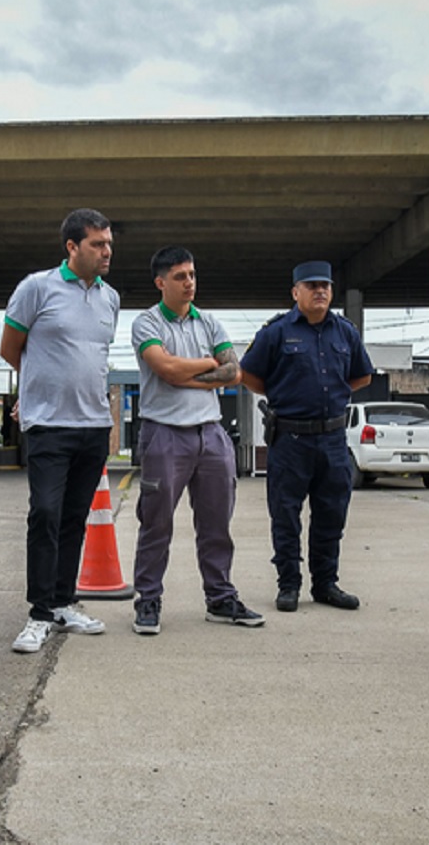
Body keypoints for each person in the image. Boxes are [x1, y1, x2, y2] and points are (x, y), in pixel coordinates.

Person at [0, 208, 121, 653]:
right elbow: (10, 349)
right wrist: (36, 391)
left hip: (93, 425)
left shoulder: (110, 298)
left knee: (73, 518)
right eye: (97, 244)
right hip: (49, 424)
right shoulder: (36, 288)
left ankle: (64, 602)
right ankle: (39, 613)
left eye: (109, 244)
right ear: (72, 246)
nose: (106, 252)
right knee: (45, 514)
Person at [129, 247, 263, 634]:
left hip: (211, 434)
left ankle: (220, 598)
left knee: (217, 523)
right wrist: (208, 364)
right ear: (161, 283)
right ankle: (148, 600)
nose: (189, 283)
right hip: (163, 433)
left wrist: (187, 373)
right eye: (179, 277)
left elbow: (234, 373)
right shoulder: (147, 323)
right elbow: (166, 368)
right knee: (156, 523)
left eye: (191, 274)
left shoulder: (209, 322)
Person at [240, 260, 373, 613]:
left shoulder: (345, 332)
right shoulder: (276, 332)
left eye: (325, 286)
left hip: (333, 439)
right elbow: (248, 374)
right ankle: (289, 585)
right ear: (295, 292)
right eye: (312, 286)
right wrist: (283, 394)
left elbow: (362, 375)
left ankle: (325, 584)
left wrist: (333, 394)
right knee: (285, 515)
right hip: (290, 440)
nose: (320, 291)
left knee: (331, 514)